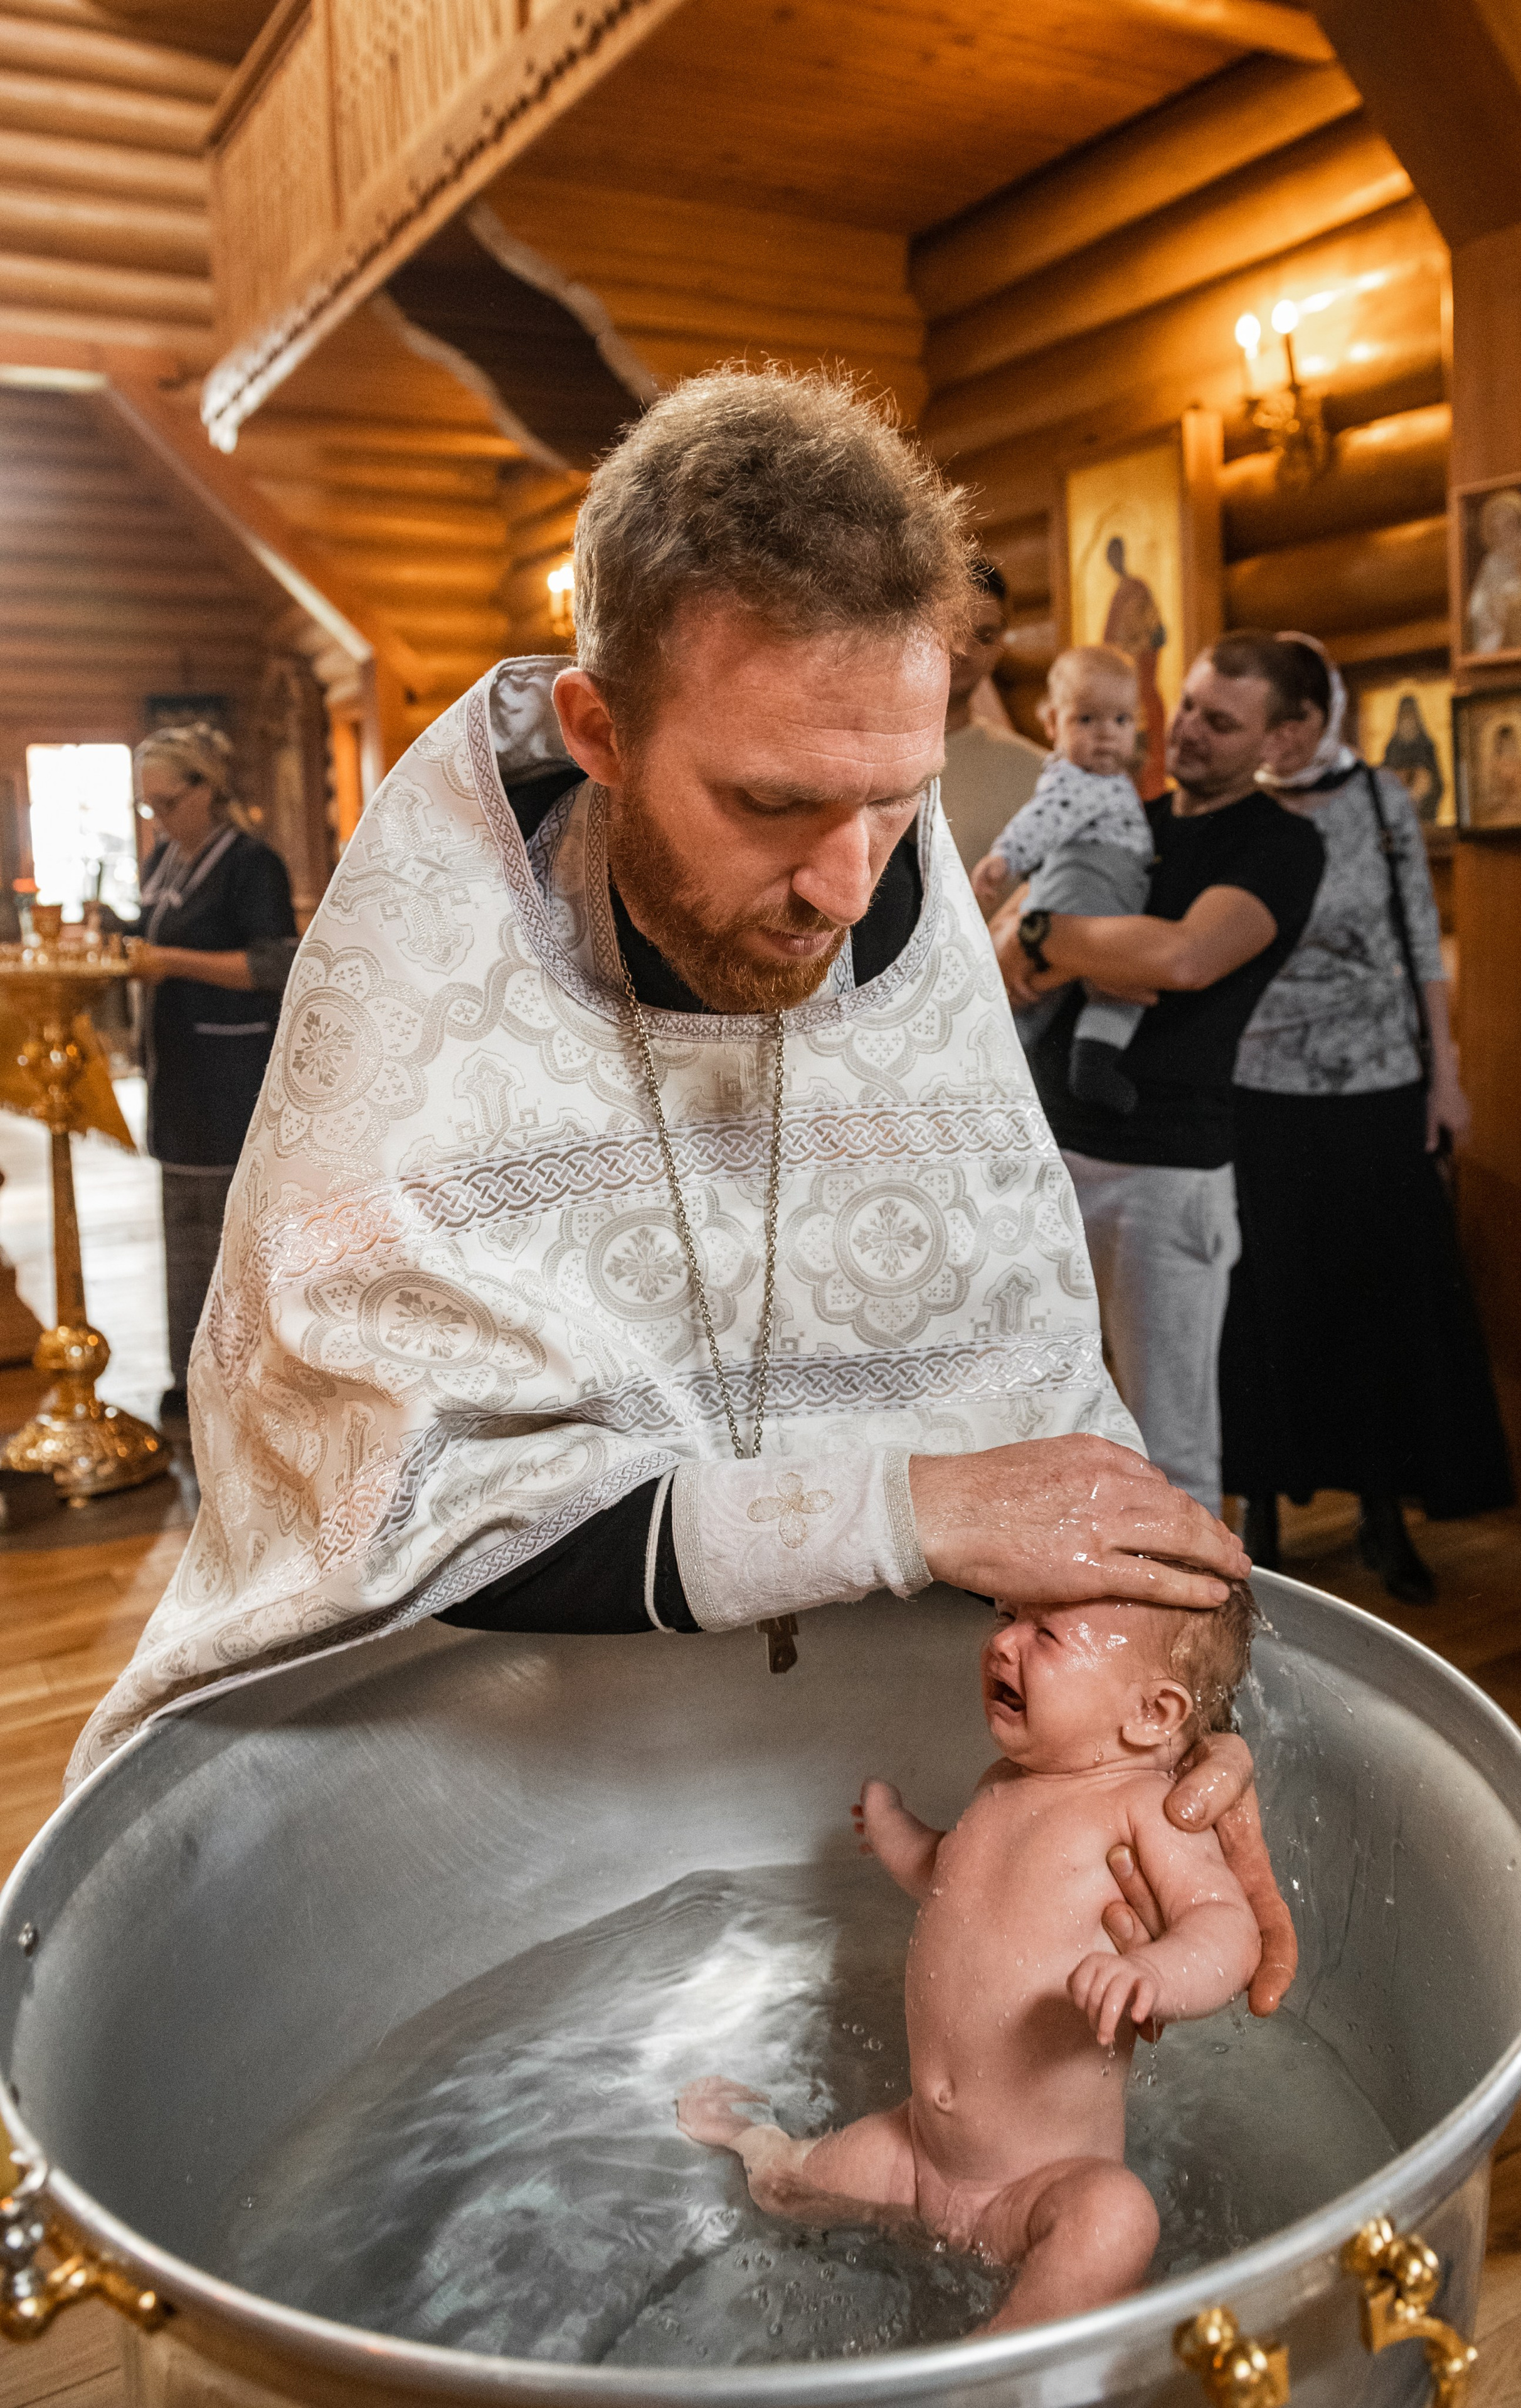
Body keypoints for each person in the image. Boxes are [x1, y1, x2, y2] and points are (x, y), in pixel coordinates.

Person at [70, 371, 1293, 2028]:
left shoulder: (885, 882)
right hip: (468, 1819)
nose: (841, 893)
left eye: (893, 801)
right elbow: (378, 1500)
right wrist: (898, 1508)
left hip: (868, 1810)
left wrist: (1180, 1711)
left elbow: (1014, 1361)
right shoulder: (436, 967)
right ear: (600, 732)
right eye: (774, 803)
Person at [677, 1581, 1259, 2333]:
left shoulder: (1147, 1808)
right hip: (918, 2150)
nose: (1003, 1643)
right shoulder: (1001, 1786)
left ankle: (1002, 2363)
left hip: (1035, 2185)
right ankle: (761, 2143)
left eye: (1046, 1637)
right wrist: (901, 1840)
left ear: (1153, 1713)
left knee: (1115, 2217)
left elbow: (1227, 1931)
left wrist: (1152, 1973)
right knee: (784, 2189)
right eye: (1009, 1617)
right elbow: (953, 1883)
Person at [995, 633, 1326, 1520]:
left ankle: (1199, 1653)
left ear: (1281, 741)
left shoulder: (1281, 846)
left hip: (1164, 1177)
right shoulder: (1125, 816)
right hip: (1050, 1150)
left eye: (1222, 722)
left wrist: (1047, 938)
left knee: (1170, 1446)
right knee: (1043, 1423)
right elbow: (998, 953)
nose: (1186, 732)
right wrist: (1056, 943)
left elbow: (1181, 960)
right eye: (1185, 706)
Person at [1221, 635, 1513, 1602]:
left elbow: (1420, 945)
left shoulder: (1384, 802)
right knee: (1268, 1303)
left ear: (1305, 724)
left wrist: (1447, 1077)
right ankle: (1261, 1508)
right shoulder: (1229, 805)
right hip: (1256, 1093)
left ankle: (1386, 1514)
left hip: (1380, 1091)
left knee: (1382, 1301)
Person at [122, 724, 297, 1426]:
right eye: (148, 809)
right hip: (177, 1070)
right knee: (182, 1232)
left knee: (230, 1231)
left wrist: (170, 964)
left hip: (230, 1068)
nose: (157, 820)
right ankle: (188, 1374)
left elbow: (275, 965)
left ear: (205, 789)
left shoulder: (251, 864)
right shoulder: (164, 860)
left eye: (166, 803)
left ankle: (244, 1382)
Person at [971, 644, 1154, 1114]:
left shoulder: (1105, 778)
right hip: (1086, 890)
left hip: (1103, 891)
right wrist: (1005, 858)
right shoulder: (1076, 779)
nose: (1106, 736)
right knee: (1097, 986)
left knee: (1064, 990)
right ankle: (1074, 1065)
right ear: (1052, 723)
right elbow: (1043, 820)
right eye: (1086, 721)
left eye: (1120, 721)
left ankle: (1070, 1064)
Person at [937, 559, 1046, 872]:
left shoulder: (1037, 774)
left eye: (984, 637)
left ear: (1000, 646)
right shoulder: (869, 755)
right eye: (953, 630)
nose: (964, 650)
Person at [1101, 536, 1167, 801]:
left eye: (1117, 555)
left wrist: (1135, 646)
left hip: (1140, 685)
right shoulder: (1119, 593)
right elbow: (1109, 642)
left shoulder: (1138, 589)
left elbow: (1159, 633)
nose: (1114, 562)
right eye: (1110, 558)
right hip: (1124, 690)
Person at [1465, 488, 1521, 656]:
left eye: (1509, 524)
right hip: (1497, 622)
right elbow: (1479, 600)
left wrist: (1513, 598)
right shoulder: (1492, 560)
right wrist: (1488, 607)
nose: (1504, 532)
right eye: (1498, 528)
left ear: (1518, 523)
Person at [1381, 692, 1443, 825]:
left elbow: (1438, 785)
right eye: (1404, 716)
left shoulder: (1427, 746)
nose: (1408, 721)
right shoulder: (1392, 748)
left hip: (1424, 815)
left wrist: (1422, 789)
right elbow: (1383, 784)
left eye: (1411, 716)